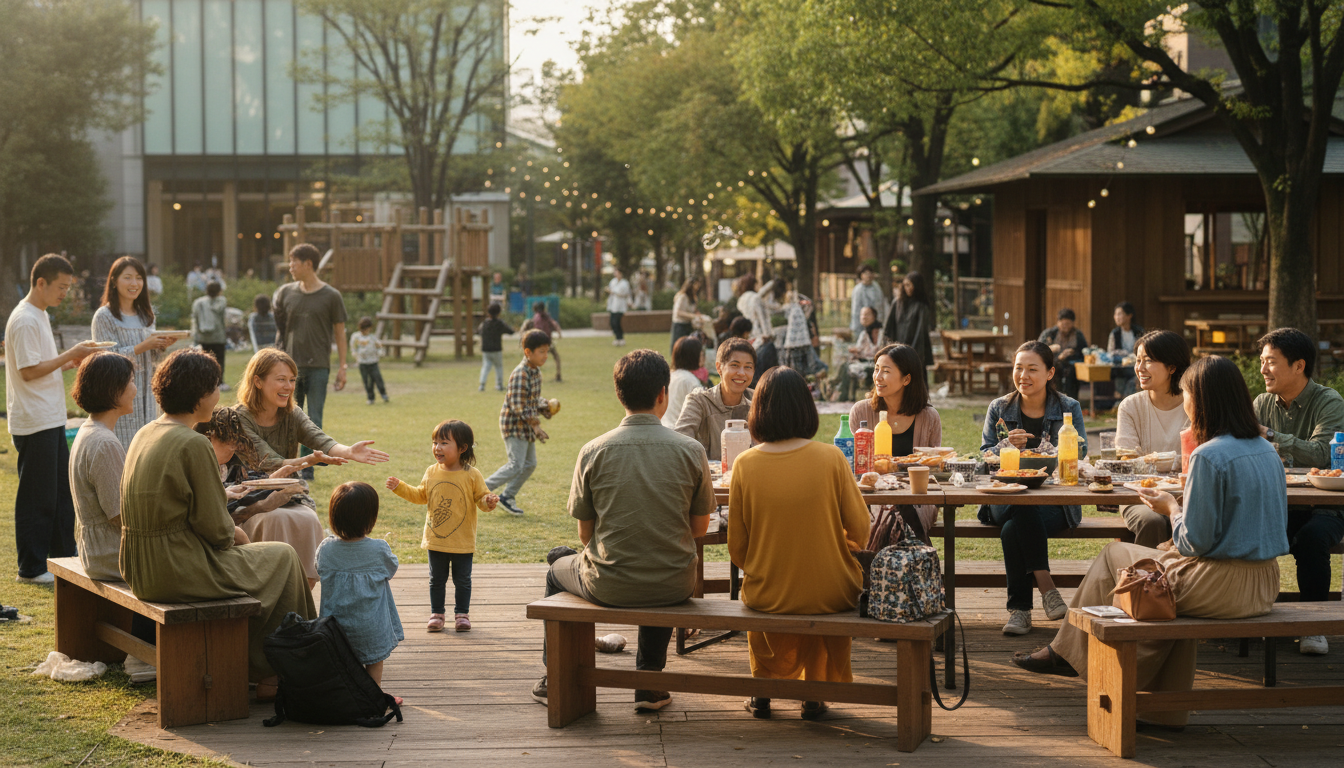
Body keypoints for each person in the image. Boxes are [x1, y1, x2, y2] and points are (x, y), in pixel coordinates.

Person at [1013, 356, 1289, 729]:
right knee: (1159, 582)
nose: (1185, 402)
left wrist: (1172, 508)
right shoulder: (1266, 451)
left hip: (1219, 588)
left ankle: (1070, 651)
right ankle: (1162, 711)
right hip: (1264, 584)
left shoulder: (1209, 456)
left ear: (1203, 400)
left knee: (1115, 554)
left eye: (1187, 394)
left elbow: (1194, 543)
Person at [120, 348, 315, 698]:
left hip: (138, 564)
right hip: (177, 567)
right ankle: (288, 669)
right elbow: (217, 530)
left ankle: (267, 668)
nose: (218, 394)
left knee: (269, 558)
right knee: (283, 558)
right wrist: (245, 540)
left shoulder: (146, 432)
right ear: (199, 395)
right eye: (214, 387)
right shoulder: (193, 444)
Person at [530, 349, 715, 713]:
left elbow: (585, 536)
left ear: (619, 394)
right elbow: (699, 529)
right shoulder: (691, 450)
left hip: (608, 583)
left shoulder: (593, 450)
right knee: (661, 564)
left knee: (556, 570)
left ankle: (554, 678)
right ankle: (648, 683)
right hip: (675, 583)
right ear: (663, 394)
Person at [730, 367, 869, 720]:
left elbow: (737, 548)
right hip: (832, 590)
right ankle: (814, 694)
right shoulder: (832, 458)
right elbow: (861, 529)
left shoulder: (744, 464)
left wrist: (767, 565)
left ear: (757, 411)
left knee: (760, 594)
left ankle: (762, 692)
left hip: (768, 591)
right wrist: (832, 547)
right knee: (820, 585)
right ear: (807, 410)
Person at [980, 341, 1088, 636]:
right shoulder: (999, 408)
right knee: (1019, 502)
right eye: (1018, 368)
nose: (1023, 375)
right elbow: (984, 457)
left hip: (1054, 503)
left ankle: (1020, 611)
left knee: (1012, 528)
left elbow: (1080, 451)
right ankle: (1046, 585)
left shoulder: (1069, 408)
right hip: (1004, 497)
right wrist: (1005, 445)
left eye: (1032, 369)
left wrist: (1045, 448)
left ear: (1050, 372)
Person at [1252, 328, 1344, 656]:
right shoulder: (1262, 402)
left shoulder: (1328, 401)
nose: (1263, 369)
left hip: (1326, 505)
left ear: (1298, 366)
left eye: (1271, 362)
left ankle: (1314, 628)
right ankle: (1248, 616)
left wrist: (1271, 435)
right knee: (1247, 531)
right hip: (1278, 503)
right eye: (1262, 361)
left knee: (1313, 538)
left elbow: (1323, 453)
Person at [6, 254, 97, 584]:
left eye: (68, 288)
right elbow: (28, 371)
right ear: (40, 282)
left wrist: (65, 363)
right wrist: (71, 354)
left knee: (60, 495)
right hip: (35, 420)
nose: (65, 294)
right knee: (37, 497)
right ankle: (31, 568)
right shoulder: (26, 319)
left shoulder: (39, 314)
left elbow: (40, 364)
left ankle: (62, 560)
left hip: (49, 417)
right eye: (61, 287)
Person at [199, 406, 330, 587]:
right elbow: (217, 511)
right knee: (274, 536)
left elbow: (246, 484)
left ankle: (301, 587)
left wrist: (272, 479)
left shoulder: (226, 461)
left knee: (305, 519)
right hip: (219, 534)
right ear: (209, 437)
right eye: (227, 441)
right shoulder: (201, 464)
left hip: (247, 508)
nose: (233, 447)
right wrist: (259, 506)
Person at [387, 419, 498, 633]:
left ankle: (462, 614)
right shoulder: (431, 471)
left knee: (463, 580)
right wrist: (400, 487)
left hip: (462, 541)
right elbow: (421, 495)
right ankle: (437, 613)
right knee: (436, 580)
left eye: (444, 443)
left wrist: (489, 502)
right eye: (435, 442)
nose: (437, 447)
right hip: (436, 538)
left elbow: (481, 499)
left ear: (462, 448)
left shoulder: (472, 475)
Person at [232, 346, 390, 471]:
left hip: (288, 492)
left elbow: (319, 439)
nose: (289, 387)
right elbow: (268, 460)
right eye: (281, 379)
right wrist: (308, 460)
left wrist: (349, 451)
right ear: (258, 382)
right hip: (249, 496)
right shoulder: (237, 418)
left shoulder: (292, 413)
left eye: (292, 380)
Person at [849, 344, 942, 544]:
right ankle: (918, 563)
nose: (878, 377)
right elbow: (858, 466)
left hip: (918, 499)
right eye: (876, 369)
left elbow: (934, 467)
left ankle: (879, 570)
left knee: (897, 513)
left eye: (886, 371)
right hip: (873, 496)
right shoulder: (861, 412)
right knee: (888, 513)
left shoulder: (928, 417)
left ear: (907, 379)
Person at [316, 482, 403, 693]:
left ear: (333, 516)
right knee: (374, 662)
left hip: (335, 627)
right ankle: (374, 697)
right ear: (370, 518)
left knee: (342, 664)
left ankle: (347, 697)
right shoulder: (379, 548)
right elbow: (390, 569)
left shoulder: (326, 548)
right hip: (372, 626)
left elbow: (319, 569)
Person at [272, 242, 349, 463]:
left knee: (313, 419)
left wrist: (342, 367)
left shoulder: (331, 295)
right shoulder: (286, 293)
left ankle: (309, 465)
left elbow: (340, 334)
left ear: (308, 264)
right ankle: (287, 462)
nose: (290, 267)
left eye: (293, 262)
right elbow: (281, 331)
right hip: (289, 369)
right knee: (286, 418)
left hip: (318, 367)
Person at [1115, 330, 1191, 547]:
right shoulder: (1130, 406)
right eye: (1137, 361)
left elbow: (1201, 458)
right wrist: (1174, 463)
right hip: (1140, 494)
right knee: (1152, 521)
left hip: (1188, 494)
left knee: (1195, 518)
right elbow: (1127, 462)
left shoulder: (1194, 404)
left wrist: (1150, 460)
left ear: (1172, 367)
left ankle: (1185, 580)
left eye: (1148, 361)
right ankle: (1147, 578)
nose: (1139, 368)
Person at [92, 256, 175, 447]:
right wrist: (142, 346)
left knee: (144, 449)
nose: (134, 283)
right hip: (119, 395)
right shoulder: (104, 316)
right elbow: (105, 360)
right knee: (123, 452)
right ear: (114, 281)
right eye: (128, 277)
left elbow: (152, 360)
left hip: (146, 393)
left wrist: (160, 346)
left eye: (139, 278)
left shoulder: (147, 315)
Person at [68, 353, 137, 581]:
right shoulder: (104, 442)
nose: (135, 389)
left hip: (97, 551)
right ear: (113, 389)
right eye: (131, 382)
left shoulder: (90, 430)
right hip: (111, 555)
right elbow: (120, 515)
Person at [485, 330, 554, 516]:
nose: (545, 356)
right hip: (514, 425)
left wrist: (545, 406)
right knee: (516, 464)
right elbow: (518, 407)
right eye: (541, 351)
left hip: (526, 426)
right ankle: (479, 489)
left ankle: (507, 496)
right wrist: (536, 426)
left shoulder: (536, 372)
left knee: (529, 464)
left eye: (547, 351)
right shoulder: (520, 374)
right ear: (527, 352)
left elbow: (532, 400)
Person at [675, 337, 756, 460]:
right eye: (734, 365)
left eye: (748, 367)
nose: (741, 373)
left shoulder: (758, 401)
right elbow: (681, 440)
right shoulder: (699, 400)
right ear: (719, 368)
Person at [830, 306, 882, 402]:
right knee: (845, 364)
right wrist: (855, 351)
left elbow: (876, 351)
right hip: (864, 361)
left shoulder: (879, 332)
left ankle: (840, 389)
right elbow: (860, 349)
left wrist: (859, 353)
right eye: (862, 315)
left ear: (874, 316)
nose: (864, 317)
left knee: (847, 367)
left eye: (867, 314)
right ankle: (840, 390)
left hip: (873, 363)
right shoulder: (864, 332)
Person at [883, 272, 934, 369]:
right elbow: (889, 328)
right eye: (905, 285)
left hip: (915, 352)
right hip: (897, 349)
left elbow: (920, 335)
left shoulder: (921, 306)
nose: (908, 288)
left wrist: (912, 355)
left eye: (910, 285)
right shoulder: (897, 303)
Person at [1038, 308, 1087, 398]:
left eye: (1068, 324)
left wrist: (1072, 353)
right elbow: (1038, 350)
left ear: (1073, 323)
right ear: (1058, 322)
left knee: (1073, 372)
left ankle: (1072, 400)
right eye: (1063, 324)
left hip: (1072, 365)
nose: (1066, 327)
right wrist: (1051, 349)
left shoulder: (1078, 335)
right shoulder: (1049, 334)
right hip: (1053, 363)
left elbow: (1084, 351)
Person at [192, 280, 229, 388]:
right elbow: (223, 319)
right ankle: (219, 382)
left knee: (204, 361)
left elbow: (195, 319)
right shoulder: (221, 301)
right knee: (219, 361)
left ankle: (205, 382)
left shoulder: (198, 302)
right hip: (218, 336)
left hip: (203, 337)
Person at [664, 336, 705, 429]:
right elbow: (703, 412)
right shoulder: (690, 381)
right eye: (701, 353)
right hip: (681, 432)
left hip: (663, 429)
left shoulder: (669, 376)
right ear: (693, 356)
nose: (703, 356)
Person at [1107, 302, 1143, 398]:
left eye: (1120, 314)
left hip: (1137, 364)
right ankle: (1120, 399)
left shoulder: (1139, 331)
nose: (1116, 317)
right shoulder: (1115, 333)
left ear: (1129, 316)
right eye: (1115, 314)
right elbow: (1110, 352)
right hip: (1121, 367)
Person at [350, 317, 388, 405]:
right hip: (362, 363)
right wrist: (356, 356)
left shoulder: (372, 338)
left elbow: (379, 347)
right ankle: (370, 397)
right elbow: (353, 348)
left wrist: (380, 352)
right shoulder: (356, 337)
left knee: (377, 378)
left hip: (373, 362)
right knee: (367, 381)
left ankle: (383, 394)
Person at [477, 302, 514, 392]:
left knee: (485, 366)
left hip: (486, 349)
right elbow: (510, 331)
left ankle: (482, 385)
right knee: (499, 367)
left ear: (488, 313)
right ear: (499, 313)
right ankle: (499, 385)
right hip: (496, 349)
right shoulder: (499, 323)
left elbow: (478, 332)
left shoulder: (484, 323)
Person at [778, 283, 813, 375]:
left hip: (792, 343)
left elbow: (809, 303)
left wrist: (796, 294)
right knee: (802, 369)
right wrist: (798, 295)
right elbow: (809, 302)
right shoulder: (797, 309)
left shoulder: (790, 308)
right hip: (802, 342)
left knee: (794, 369)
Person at [526, 301, 563, 383]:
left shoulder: (536, 317)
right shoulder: (546, 316)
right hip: (548, 342)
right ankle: (558, 375)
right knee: (556, 357)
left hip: (539, 342)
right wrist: (559, 333)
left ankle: (532, 377)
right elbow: (554, 324)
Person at [850, 265, 886, 339]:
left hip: (876, 324)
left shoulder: (876, 287)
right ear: (861, 275)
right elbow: (855, 310)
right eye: (866, 273)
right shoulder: (858, 289)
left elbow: (880, 306)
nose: (869, 275)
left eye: (870, 273)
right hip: (862, 325)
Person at [671, 279, 700, 353]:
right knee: (679, 348)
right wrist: (693, 316)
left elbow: (694, 310)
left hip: (688, 325)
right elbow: (678, 312)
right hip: (680, 325)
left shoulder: (693, 297)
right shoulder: (682, 297)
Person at [606, 268, 631, 347]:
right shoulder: (613, 281)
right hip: (613, 305)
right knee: (612, 323)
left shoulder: (625, 283)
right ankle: (617, 338)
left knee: (617, 322)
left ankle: (621, 338)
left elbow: (623, 293)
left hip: (620, 306)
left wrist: (612, 291)